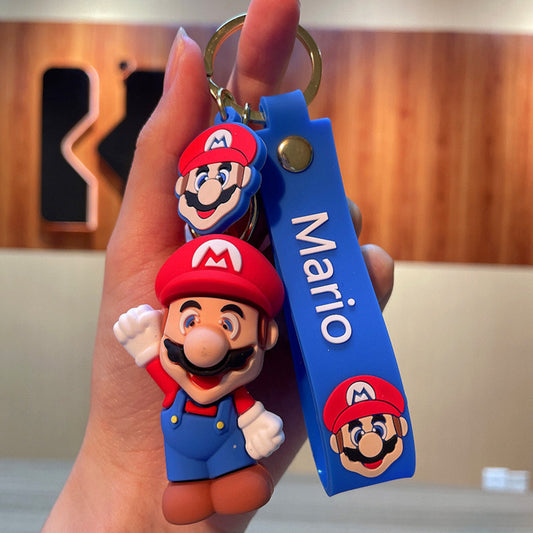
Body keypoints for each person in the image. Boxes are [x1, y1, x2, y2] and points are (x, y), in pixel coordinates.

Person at [43, 0, 394, 531]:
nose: (205, 342)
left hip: (226, 444)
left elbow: (242, 404)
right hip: (180, 455)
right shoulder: (176, 375)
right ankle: (191, 485)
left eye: (230, 322)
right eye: (189, 318)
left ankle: (223, 480)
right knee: (185, 484)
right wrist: (142, 343)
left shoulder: (234, 386)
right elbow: (157, 363)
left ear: (267, 333)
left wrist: (256, 426)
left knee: (233, 471)